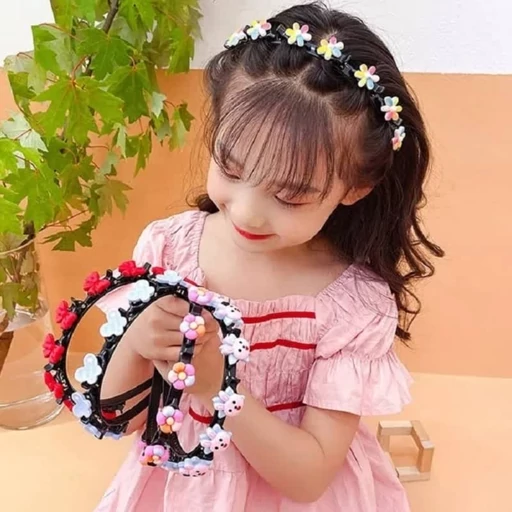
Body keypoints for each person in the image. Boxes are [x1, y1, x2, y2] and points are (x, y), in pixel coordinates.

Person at [94, 2, 443, 511]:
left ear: (355, 187)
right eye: (231, 169)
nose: (249, 213)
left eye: (291, 195)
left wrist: (219, 388)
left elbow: (308, 479)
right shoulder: (169, 251)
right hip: (179, 488)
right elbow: (115, 417)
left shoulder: (352, 304)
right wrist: (135, 342)